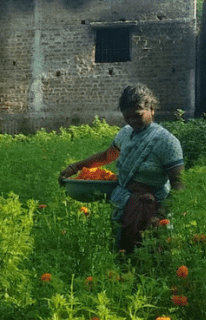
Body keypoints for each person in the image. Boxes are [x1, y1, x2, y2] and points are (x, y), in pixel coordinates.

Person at [59, 84, 184, 255]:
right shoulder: (125, 133)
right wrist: (74, 168)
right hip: (124, 204)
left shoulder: (166, 141)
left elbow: (179, 184)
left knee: (149, 255)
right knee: (122, 253)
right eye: (127, 117)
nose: (132, 121)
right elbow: (106, 156)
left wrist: (159, 215)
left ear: (151, 109)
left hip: (151, 209)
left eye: (137, 115)